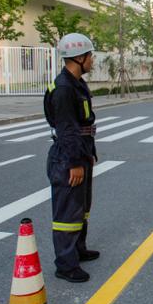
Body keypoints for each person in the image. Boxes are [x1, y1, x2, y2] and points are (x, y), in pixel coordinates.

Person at [44, 33, 100, 283]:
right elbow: (67, 130)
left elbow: (83, 124)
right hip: (68, 158)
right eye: (90, 56)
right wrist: (75, 163)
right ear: (79, 57)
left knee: (81, 208)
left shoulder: (76, 83)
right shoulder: (64, 88)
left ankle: (78, 249)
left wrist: (87, 155)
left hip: (81, 152)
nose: (93, 60)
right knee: (67, 213)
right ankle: (65, 265)